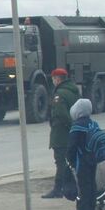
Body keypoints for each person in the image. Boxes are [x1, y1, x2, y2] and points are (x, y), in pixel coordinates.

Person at [42, 68, 80, 200]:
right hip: (74, 132)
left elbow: (60, 114)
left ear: (57, 79)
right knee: (71, 161)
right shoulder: (74, 91)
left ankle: (58, 189)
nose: (53, 81)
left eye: (53, 79)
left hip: (61, 134)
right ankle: (71, 187)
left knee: (60, 162)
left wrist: (70, 127)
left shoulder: (59, 94)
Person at [65, 98, 103, 210]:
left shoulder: (77, 126)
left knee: (82, 186)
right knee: (92, 184)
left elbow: (72, 145)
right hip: (93, 159)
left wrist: (69, 160)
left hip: (81, 160)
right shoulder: (93, 124)